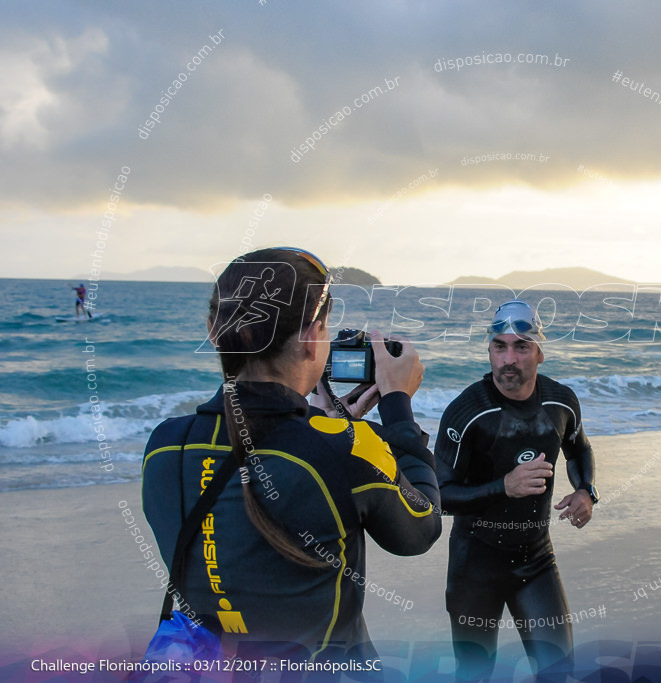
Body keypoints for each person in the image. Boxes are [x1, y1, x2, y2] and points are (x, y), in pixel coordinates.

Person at [142, 247, 441, 663]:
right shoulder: (344, 447)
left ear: (214, 329)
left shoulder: (165, 446)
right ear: (309, 338)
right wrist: (397, 409)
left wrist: (317, 425)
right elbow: (420, 529)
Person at [435, 299, 599, 681]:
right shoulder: (467, 413)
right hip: (475, 565)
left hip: (537, 561)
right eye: (499, 346)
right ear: (489, 351)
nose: (509, 359)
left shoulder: (561, 401)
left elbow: (579, 449)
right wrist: (504, 487)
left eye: (521, 346)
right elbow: (439, 496)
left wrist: (586, 491)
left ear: (540, 353)